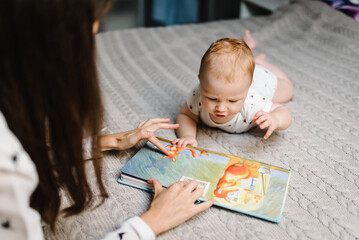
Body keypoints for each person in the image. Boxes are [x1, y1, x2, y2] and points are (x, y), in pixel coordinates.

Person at [0, 0, 213, 239]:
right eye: (89, 35)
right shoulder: (6, 166)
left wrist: (111, 141)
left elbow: (27, 153)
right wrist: (151, 222)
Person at [172, 30, 293, 148]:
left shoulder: (251, 102)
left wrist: (275, 118)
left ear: (247, 89)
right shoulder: (198, 93)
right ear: (200, 81)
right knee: (239, 62)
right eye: (213, 99)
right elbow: (186, 116)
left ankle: (261, 62)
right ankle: (251, 55)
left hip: (263, 79)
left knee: (288, 91)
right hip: (243, 78)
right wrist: (187, 135)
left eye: (232, 101)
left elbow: (283, 111)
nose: (221, 108)